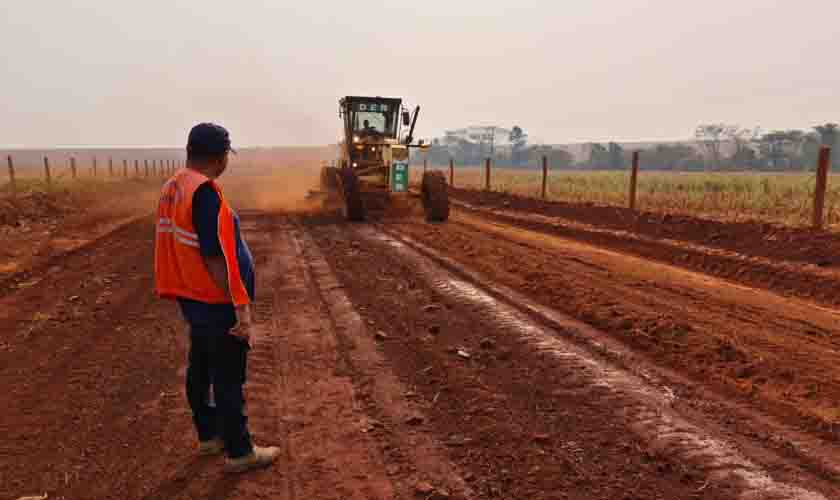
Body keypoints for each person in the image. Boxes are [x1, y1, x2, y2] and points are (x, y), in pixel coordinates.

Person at [154, 122, 279, 473]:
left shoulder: (174, 186)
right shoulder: (204, 192)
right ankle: (240, 451)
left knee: (202, 366)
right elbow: (213, 255)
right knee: (227, 376)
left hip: (191, 295)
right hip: (213, 297)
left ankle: (209, 435)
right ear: (220, 157)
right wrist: (240, 308)